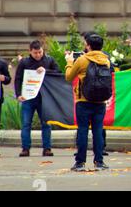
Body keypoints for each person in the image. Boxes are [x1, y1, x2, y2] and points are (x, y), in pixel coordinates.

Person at [65, 34, 111, 171]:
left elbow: (68, 77)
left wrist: (68, 61)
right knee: (98, 131)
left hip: (83, 101)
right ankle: (99, 162)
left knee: (83, 131)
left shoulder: (82, 60)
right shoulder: (106, 61)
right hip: (100, 101)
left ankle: (80, 163)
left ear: (88, 46)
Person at [15, 40, 60, 157]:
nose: (38, 55)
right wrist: (18, 94)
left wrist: (46, 70)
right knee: (26, 123)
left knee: (46, 123)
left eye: (40, 52)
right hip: (28, 97)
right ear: (30, 51)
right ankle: (25, 148)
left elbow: (58, 73)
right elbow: (18, 79)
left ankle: (47, 148)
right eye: (35, 53)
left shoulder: (49, 60)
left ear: (42, 50)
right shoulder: (24, 62)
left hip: (44, 98)